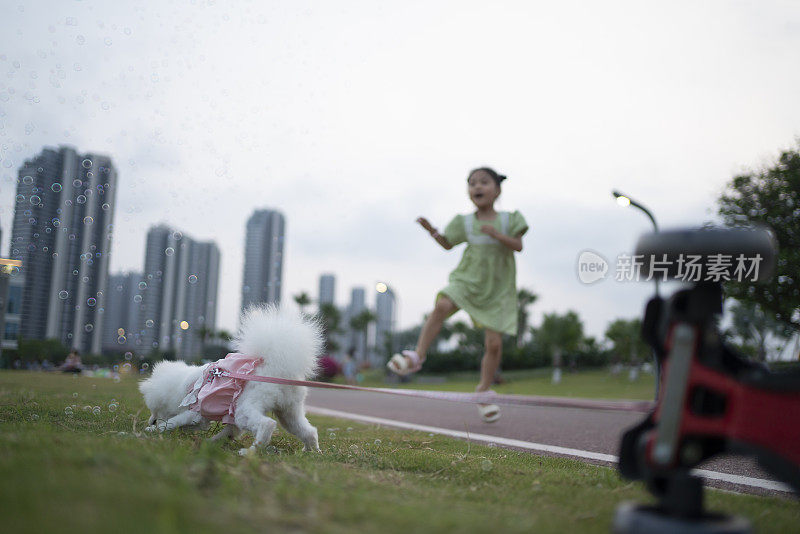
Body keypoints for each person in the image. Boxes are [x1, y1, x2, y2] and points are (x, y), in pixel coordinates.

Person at [387, 167, 528, 422]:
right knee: (441, 305)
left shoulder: (509, 219)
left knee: (494, 345)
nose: (477, 187)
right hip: (467, 280)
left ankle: (483, 392)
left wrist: (497, 235)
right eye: (472, 183)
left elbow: (518, 245)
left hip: (497, 290)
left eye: (484, 182)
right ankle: (417, 356)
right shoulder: (465, 222)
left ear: (497, 189)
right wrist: (432, 231)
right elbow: (447, 243)